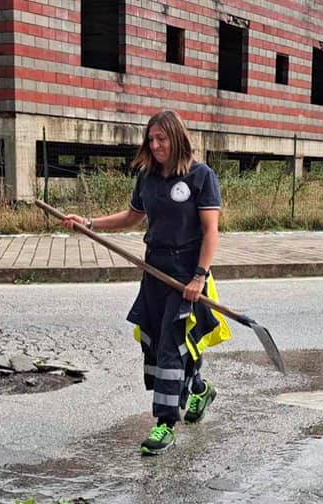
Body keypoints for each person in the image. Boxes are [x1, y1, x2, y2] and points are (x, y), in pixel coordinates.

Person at [63, 109, 230, 455]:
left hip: (186, 274)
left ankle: (165, 423)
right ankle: (198, 389)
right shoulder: (148, 178)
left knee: (171, 345)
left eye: (161, 139)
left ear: (177, 138)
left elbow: (211, 231)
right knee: (157, 343)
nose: (154, 145)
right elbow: (133, 216)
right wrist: (90, 223)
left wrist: (199, 276)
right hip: (154, 270)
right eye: (150, 139)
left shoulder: (201, 176)